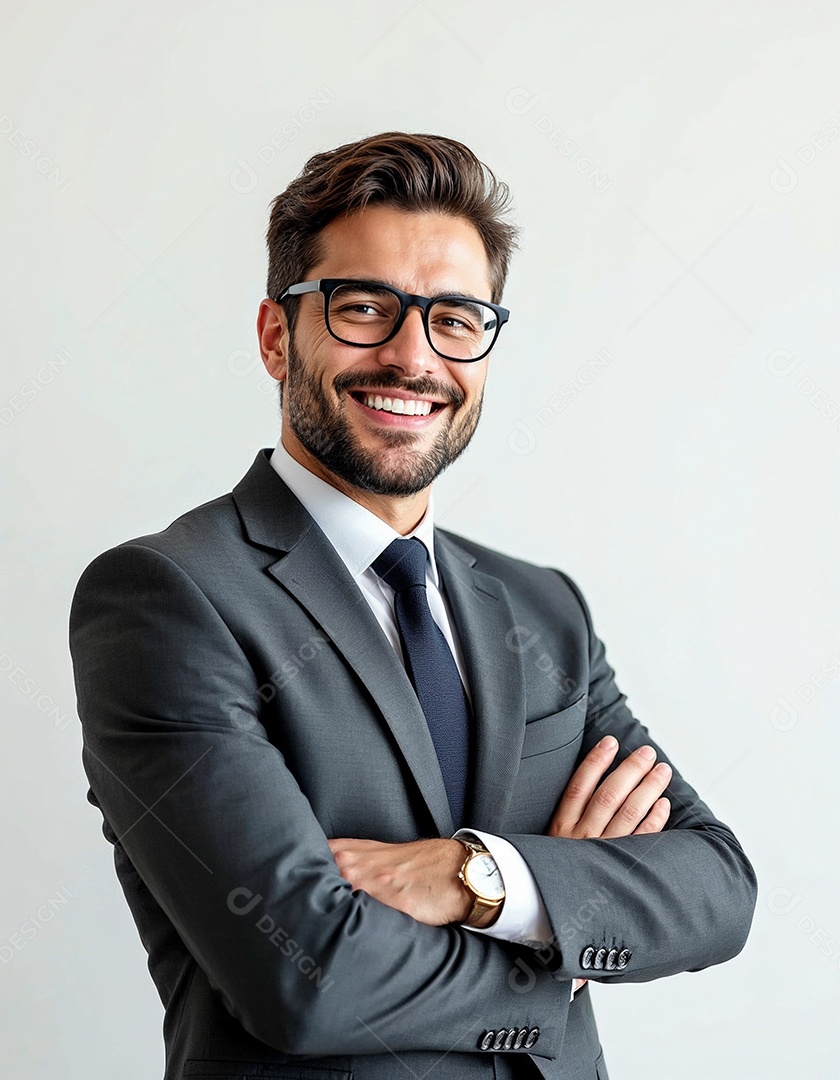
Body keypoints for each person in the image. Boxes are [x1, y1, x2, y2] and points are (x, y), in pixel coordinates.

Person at [69, 132, 757, 1080]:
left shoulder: (541, 608)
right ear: (277, 335)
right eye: (363, 308)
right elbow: (306, 979)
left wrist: (477, 878)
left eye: (456, 319)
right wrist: (557, 937)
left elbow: (716, 889)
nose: (412, 357)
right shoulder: (169, 598)